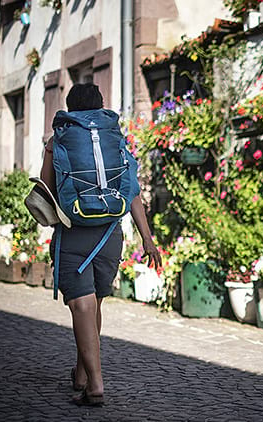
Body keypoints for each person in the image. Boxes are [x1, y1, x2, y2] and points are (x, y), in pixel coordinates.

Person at [40, 83, 161, 406]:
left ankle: (95, 385)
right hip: (110, 236)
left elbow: (47, 190)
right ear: (99, 106)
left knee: (82, 305)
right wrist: (147, 239)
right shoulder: (115, 141)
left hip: (75, 233)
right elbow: (131, 190)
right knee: (94, 306)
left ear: (70, 108)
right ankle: (81, 372)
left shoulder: (59, 141)